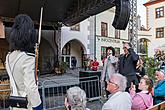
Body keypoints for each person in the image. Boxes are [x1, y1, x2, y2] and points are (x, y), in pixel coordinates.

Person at [5, 14, 41, 110]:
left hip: (14, 103)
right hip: (27, 105)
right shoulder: (28, 58)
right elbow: (30, 87)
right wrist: (38, 106)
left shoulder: (8, 56)